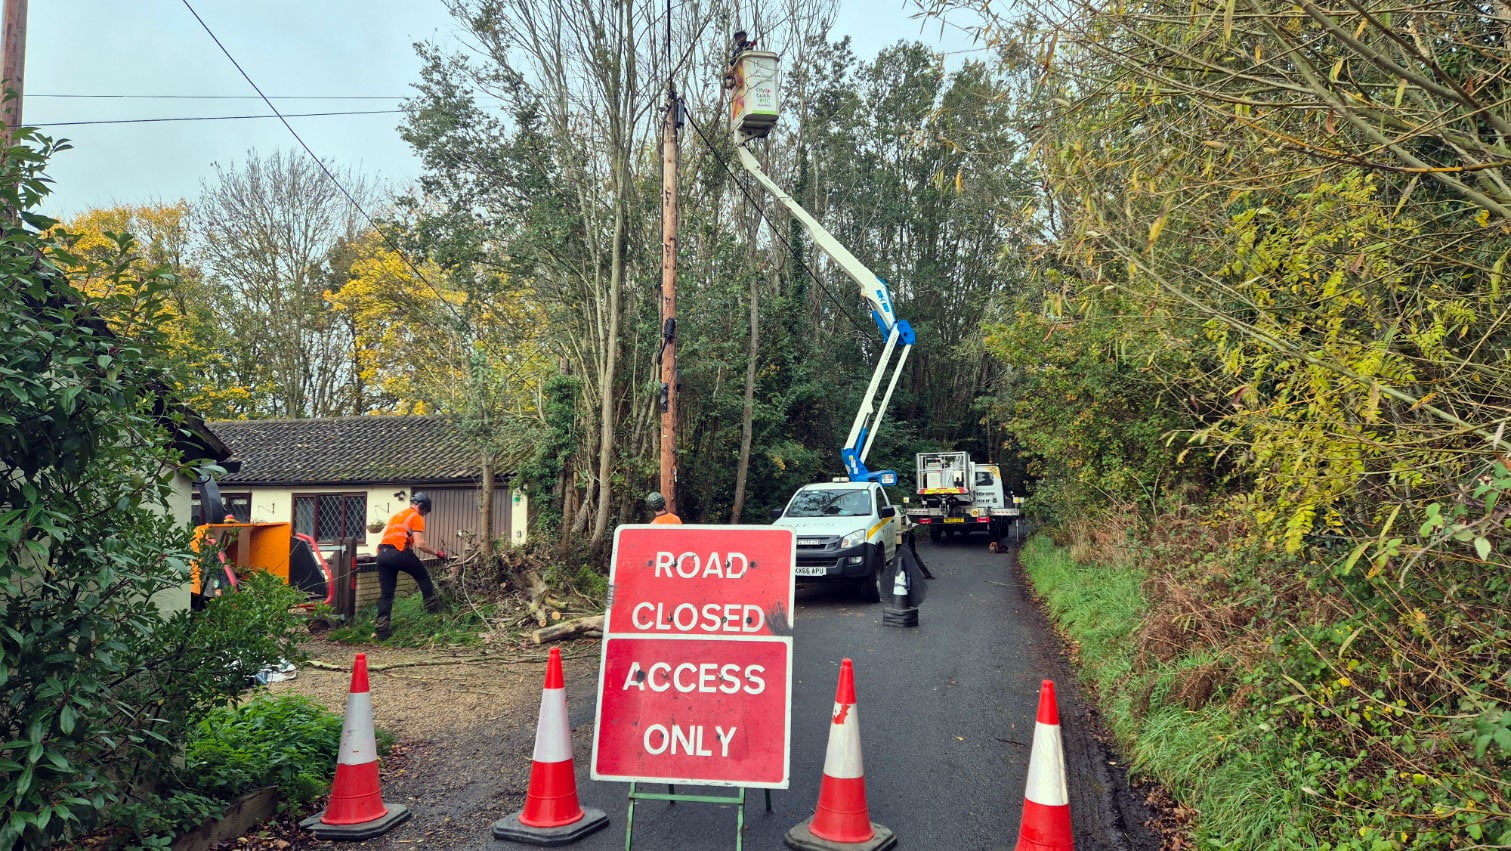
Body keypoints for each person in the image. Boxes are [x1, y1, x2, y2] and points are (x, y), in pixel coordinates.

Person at [374, 492, 446, 640]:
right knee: (422, 576)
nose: (424, 515)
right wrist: (436, 552)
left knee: (387, 594)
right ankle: (433, 611)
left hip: (382, 555)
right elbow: (420, 544)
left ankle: (382, 630)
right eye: (425, 511)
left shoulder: (397, 515)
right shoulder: (416, 516)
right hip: (399, 552)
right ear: (421, 506)